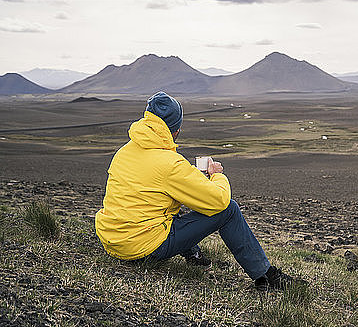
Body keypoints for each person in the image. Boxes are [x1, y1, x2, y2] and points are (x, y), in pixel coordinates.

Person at [95, 91, 294, 291]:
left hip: (112, 241)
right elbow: (219, 201)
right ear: (174, 130)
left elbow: (155, 188)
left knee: (167, 203)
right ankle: (266, 277)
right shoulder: (170, 164)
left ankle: (194, 255)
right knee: (229, 210)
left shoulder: (124, 151)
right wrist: (216, 175)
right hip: (142, 247)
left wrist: (191, 179)